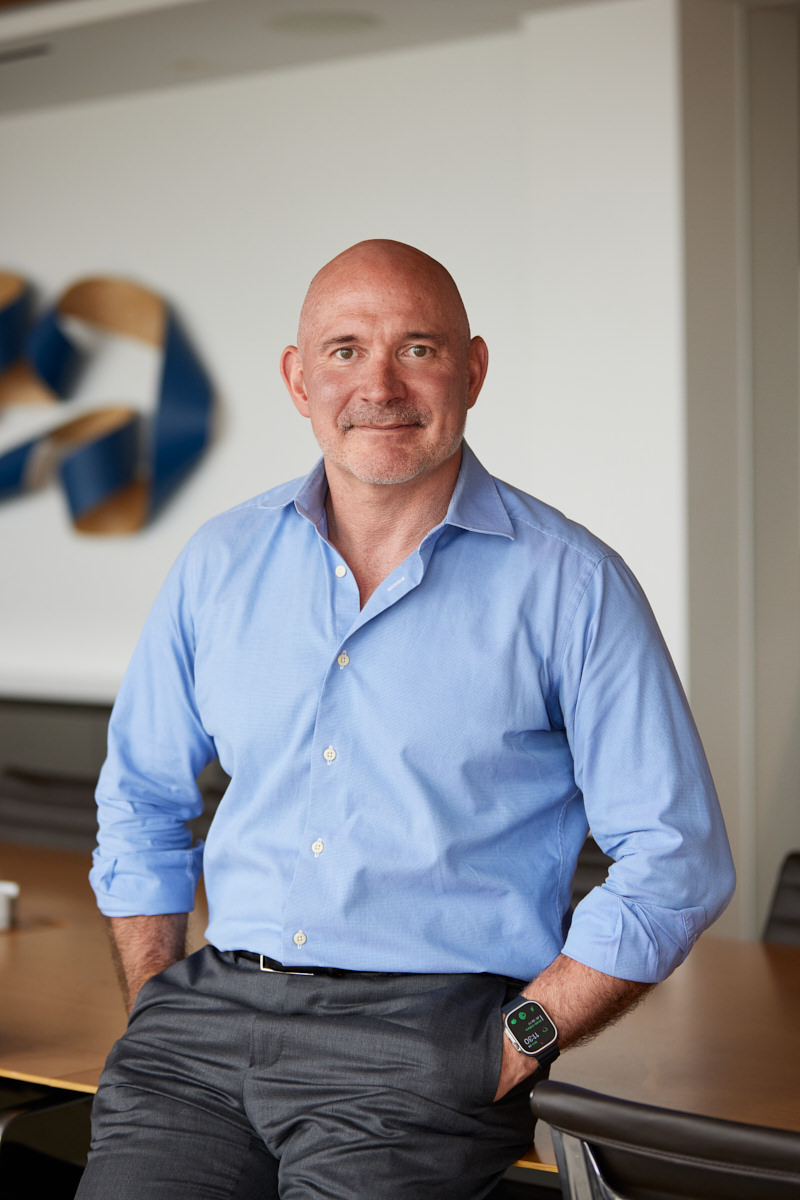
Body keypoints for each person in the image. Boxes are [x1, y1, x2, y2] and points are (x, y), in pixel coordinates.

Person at [77, 240, 735, 1200]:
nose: (379, 384)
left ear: (472, 370)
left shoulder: (574, 586)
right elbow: (138, 797)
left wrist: (517, 1044)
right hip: (197, 1035)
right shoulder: (218, 564)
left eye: (417, 349)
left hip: (422, 1050)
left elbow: (677, 858)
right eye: (344, 351)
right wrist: (150, 1000)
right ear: (298, 380)